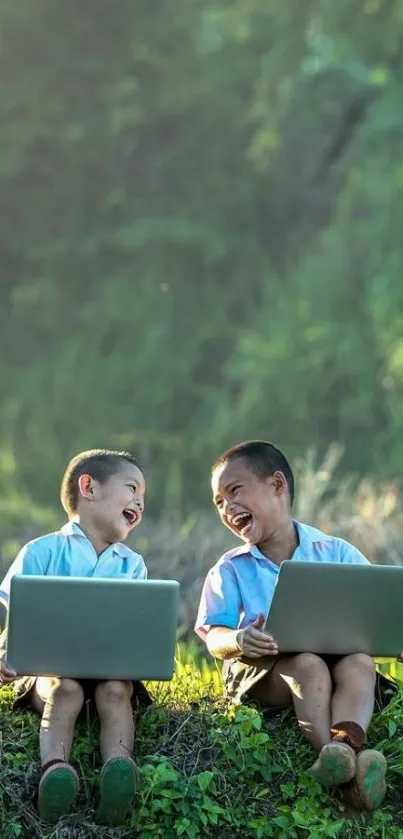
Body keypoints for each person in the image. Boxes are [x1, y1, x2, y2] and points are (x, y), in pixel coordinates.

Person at [195, 440, 390, 812]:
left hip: (337, 661)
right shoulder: (230, 567)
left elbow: (377, 606)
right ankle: (332, 755)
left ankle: (344, 750)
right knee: (308, 665)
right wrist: (239, 639)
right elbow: (213, 637)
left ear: (278, 484)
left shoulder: (335, 552)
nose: (227, 507)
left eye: (234, 492)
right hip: (263, 671)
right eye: (219, 502)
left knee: (361, 662)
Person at [0, 448, 150, 826]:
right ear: (89, 488)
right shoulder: (42, 551)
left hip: (109, 670)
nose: (139, 502)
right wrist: (6, 651)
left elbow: (135, 630)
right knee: (64, 687)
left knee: (115, 690)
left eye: (143, 498)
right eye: (132, 488)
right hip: (50, 670)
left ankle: (119, 770)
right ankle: (55, 772)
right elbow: (16, 616)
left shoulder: (132, 565)